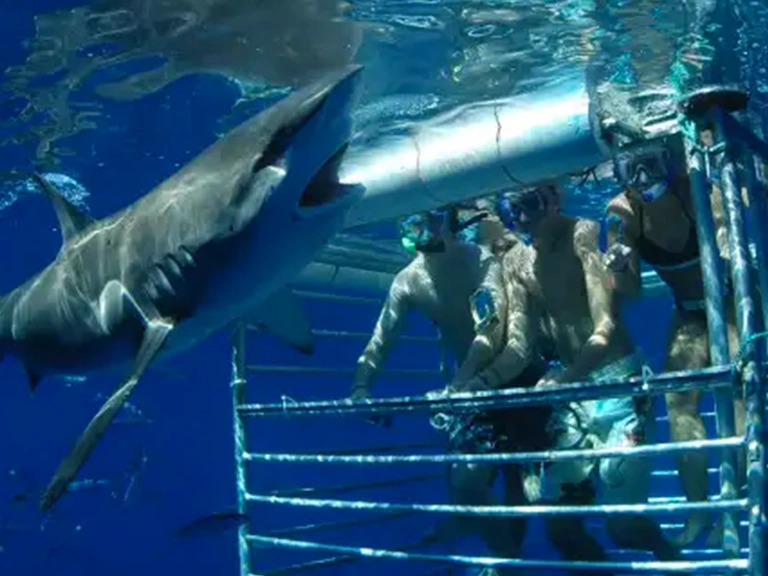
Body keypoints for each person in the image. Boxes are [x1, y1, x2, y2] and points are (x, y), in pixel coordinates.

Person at [449, 183, 680, 574]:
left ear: (555, 199)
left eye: (530, 204)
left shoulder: (583, 233)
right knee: (560, 529)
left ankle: (675, 561)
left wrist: (569, 375)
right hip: (572, 397)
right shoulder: (514, 262)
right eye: (510, 209)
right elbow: (519, 348)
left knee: (623, 528)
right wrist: (477, 384)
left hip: (617, 385)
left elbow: (605, 324)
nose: (521, 218)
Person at [349, 205, 547, 572]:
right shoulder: (407, 282)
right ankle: (508, 562)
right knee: (468, 482)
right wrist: (361, 385)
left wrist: (463, 381)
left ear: (452, 223)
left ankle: (502, 560)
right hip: (467, 389)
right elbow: (381, 339)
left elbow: (491, 326)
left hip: (517, 374)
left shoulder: (480, 260)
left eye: (433, 221)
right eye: (412, 223)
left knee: (520, 486)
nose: (425, 234)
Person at [603, 133, 745, 546]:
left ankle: (739, 502)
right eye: (632, 167)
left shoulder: (697, 186)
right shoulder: (622, 211)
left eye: (651, 163)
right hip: (686, 311)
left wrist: (721, 237)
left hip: (733, 302)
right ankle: (700, 513)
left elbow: (724, 234)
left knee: (738, 389)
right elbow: (629, 292)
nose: (644, 175)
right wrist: (621, 264)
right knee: (677, 400)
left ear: (670, 160)